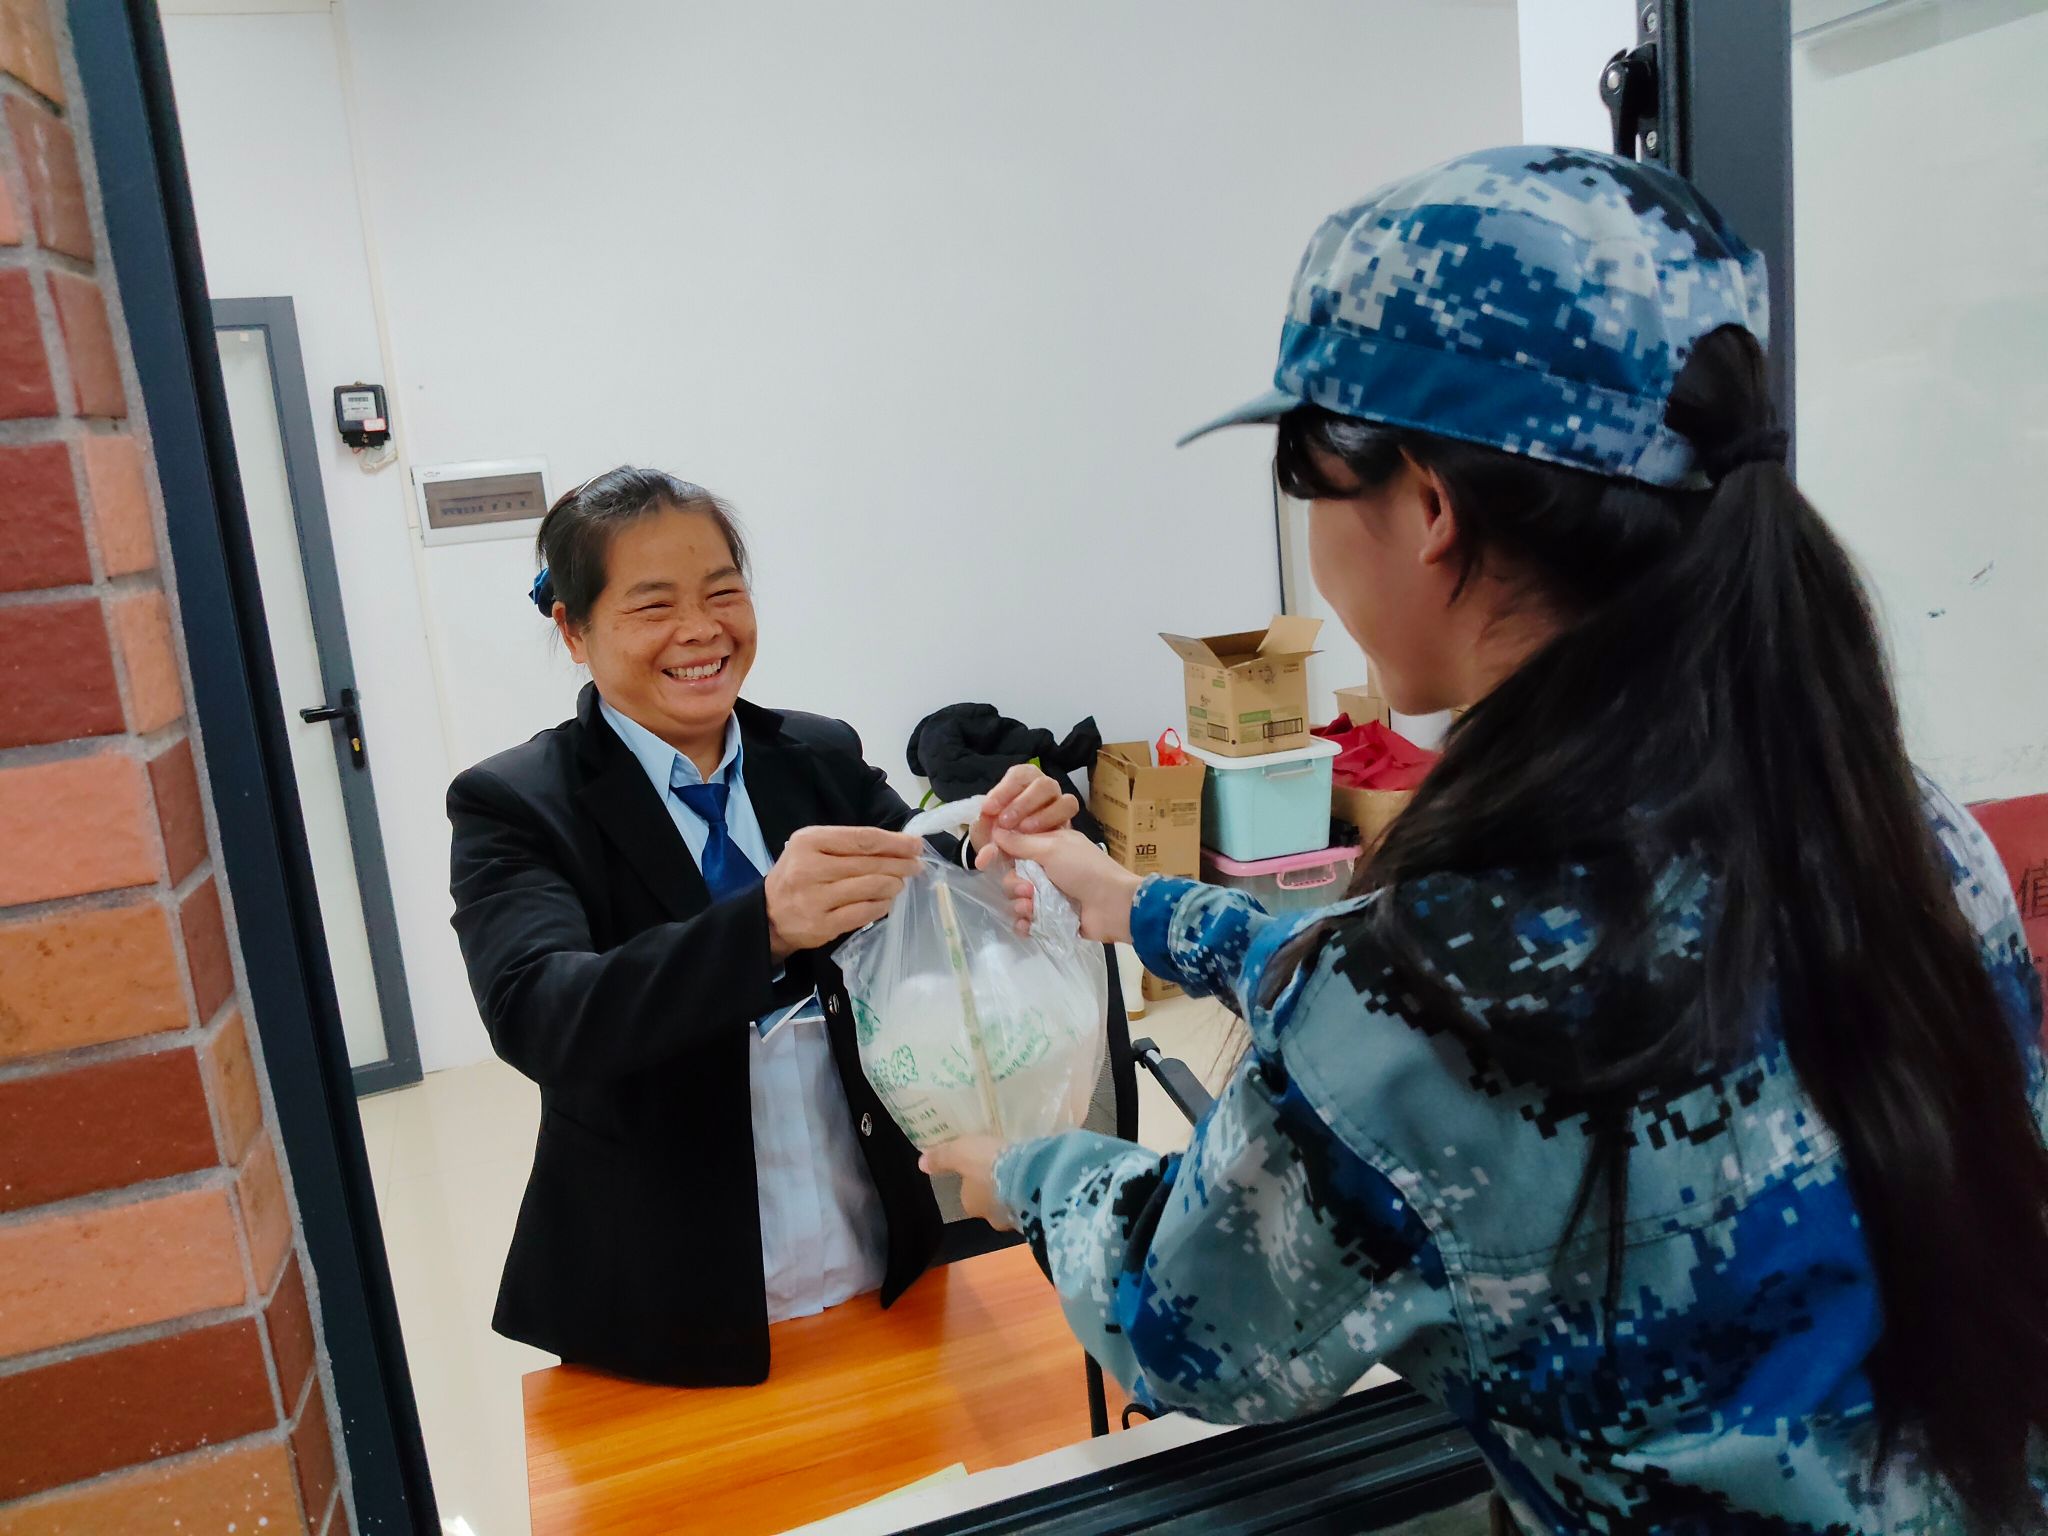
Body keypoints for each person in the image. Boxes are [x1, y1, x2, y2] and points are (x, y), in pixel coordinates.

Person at [926, 147, 2048, 1530]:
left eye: (1309, 483)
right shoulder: (1903, 829)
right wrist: (1140, 905)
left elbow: (1188, 1322)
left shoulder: (1437, 982)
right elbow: (1476, 1020)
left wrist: (1024, 1174)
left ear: (1427, 507)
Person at [447, 467, 1077, 1386]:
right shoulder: (517, 803)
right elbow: (540, 1010)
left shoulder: (816, 756)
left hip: (879, 1258)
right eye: (653, 605)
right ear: (574, 630)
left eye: (722, 593)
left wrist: (994, 852)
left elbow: (924, 881)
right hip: (666, 1304)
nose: (701, 630)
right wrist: (764, 927)